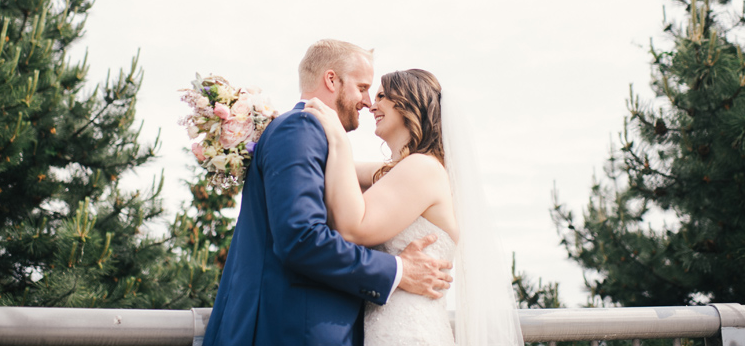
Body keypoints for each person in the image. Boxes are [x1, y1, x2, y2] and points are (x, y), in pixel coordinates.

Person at [202, 41, 453, 346]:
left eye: (377, 94)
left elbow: (389, 174)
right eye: (363, 88)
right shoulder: (300, 128)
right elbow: (302, 237)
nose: (367, 101)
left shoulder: (413, 168)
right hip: (298, 330)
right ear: (332, 80)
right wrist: (398, 270)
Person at [304, 69, 524, 346]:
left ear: (408, 104)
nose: (372, 105)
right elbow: (343, 172)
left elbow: (352, 228)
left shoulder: (422, 168)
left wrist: (338, 138)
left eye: (382, 96)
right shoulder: (405, 170)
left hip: (408, 333)